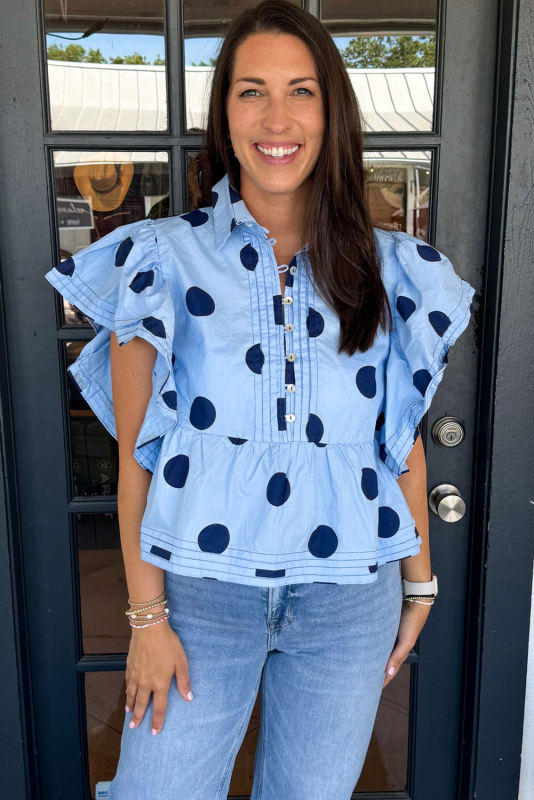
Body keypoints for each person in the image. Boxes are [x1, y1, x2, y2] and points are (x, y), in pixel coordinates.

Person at [44, 2, 476, 797]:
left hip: (349, 601)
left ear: (331, 111)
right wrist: (147, 618)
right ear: (225, 113)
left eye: (300, 91)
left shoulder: (393, 269)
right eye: (252, 91)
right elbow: (138, 456)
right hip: (201, 596)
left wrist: (420, 582)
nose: (277, 118)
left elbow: (398, 439)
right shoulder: (160, 260)